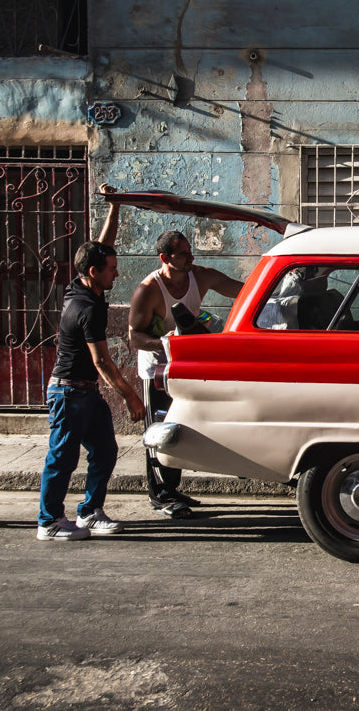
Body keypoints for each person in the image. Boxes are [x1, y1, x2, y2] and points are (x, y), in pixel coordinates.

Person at [37, 195, 146, 541]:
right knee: (62, 459)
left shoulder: (81, 286)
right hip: (69, 393)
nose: (117, 272)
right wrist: (130, 396)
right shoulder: (88, 308)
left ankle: (89, 511)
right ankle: (49, 521)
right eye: (112, 269)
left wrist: (115, 207)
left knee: (105, 450)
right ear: (94, 272)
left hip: (85, 392)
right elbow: (101, 361)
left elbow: (103, 244)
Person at [123, 214, 244, 518]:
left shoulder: (199, 276)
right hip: (157, 372)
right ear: (165, 257)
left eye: (191, 252)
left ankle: (173, 489)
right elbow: (135, 337)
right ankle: (161, 495)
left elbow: (239, 289)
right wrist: (166, 344)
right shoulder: (148, 290)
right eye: (183, 254)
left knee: (180, 429)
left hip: (185, 368)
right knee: (159, 430)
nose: (191, 258)